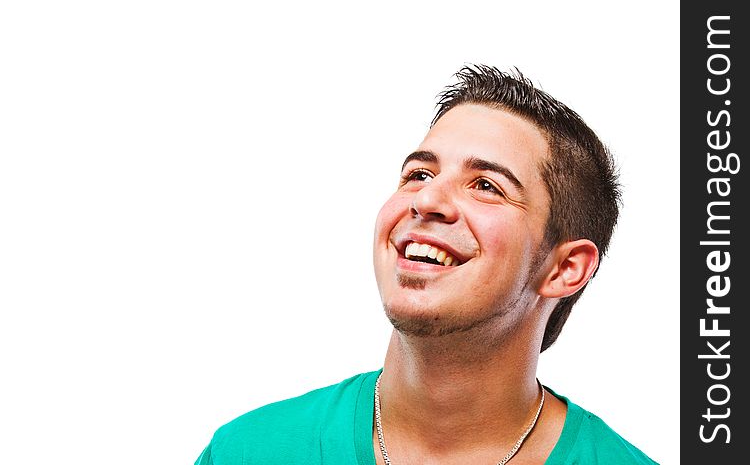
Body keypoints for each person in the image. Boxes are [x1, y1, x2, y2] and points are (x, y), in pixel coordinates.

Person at [195, 65, 657, 464]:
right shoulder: (246, 453)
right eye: (419, 174)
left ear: (565, 269)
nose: (428, 199)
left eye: (486, 186)